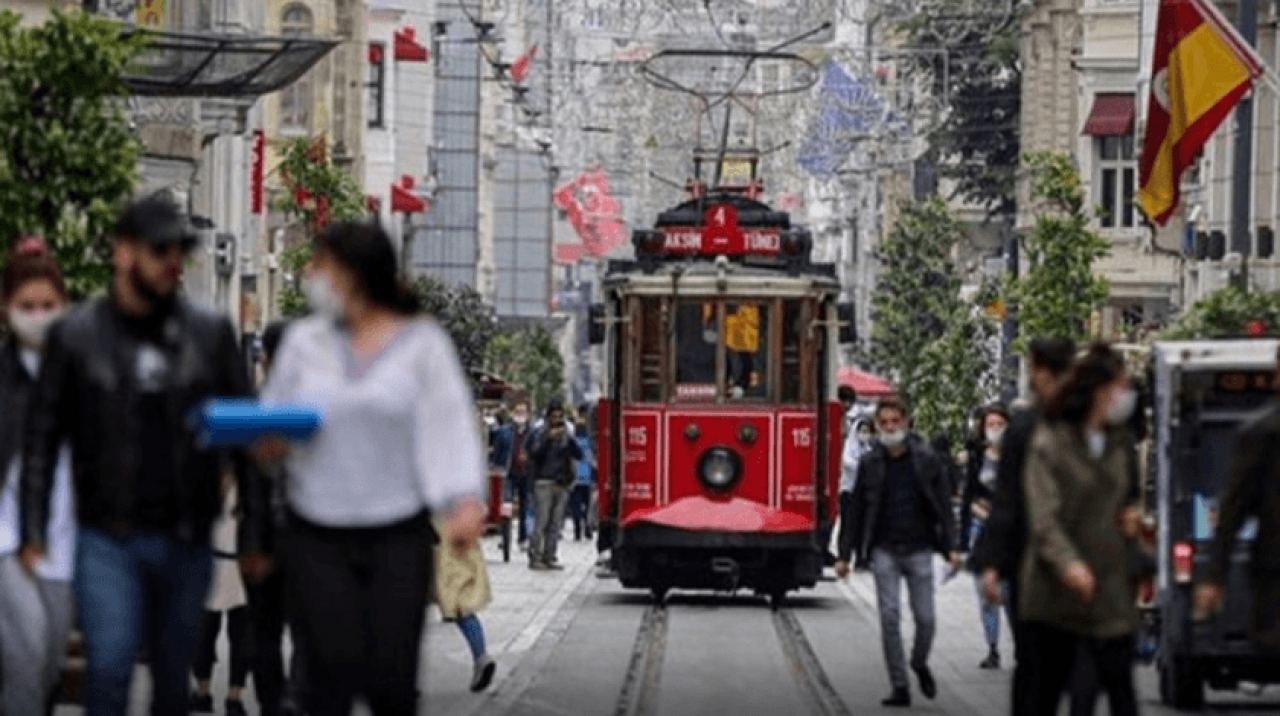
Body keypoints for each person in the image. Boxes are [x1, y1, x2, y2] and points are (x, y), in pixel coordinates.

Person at [19, 198, 266, 716]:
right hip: (107, 536)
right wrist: (34, 529)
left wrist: (253, 533)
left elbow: (245, 436)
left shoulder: (208, 333)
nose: (172, 262)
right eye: (159, 250)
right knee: (108, 668)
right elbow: (42, 437)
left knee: (171, 684)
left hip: (187, 536)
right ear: (123, 254)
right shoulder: (77, 336)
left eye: (179, 250)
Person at [255, 221, 486, 715]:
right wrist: (266, 443)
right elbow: (271, 421)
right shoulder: (302, 344)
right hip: (316, 532)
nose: (311, 276)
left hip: (396, 534)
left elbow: (448, 427)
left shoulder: (421, 345)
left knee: (391, 680)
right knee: (324, 678)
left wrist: (463, 499)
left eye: (323, 266)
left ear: (356, 275)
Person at [1018, 344, 1143, 716]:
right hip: (1057, 590)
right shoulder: (1051, 441)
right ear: (1098, 389)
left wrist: (1133, 517)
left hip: (1110, 587)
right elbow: (1043, 517)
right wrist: (1068, 564)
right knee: (1049, 690)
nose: (1125, 396)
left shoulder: (1120, 441)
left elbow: (1128, 497)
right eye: (1119, 386)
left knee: (1121, 692)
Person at [969, 337, 1075, 716]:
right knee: (1047, 660)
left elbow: (1007, 501)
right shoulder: (1072, 423)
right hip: (1063, 563)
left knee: (1037, 662)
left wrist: (992, 563)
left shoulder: (1032, 426)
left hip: (1037, 561)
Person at [835, 397, 961, 708]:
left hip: (919, 548)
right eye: (884, 423)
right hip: (884, 550)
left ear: (907, 423)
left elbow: (943, 506)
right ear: (877, 427)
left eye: (896, 421)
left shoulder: (926, 459)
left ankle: (919, 662)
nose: (890, 428)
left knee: (926, 618)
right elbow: (857, 511)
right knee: (889, 616)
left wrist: (951, 547)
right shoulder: (870, 463)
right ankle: (900, 684)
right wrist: (844, 555)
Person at [0, 238, 76, 716]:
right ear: (6, 308)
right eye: (26, 306)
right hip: (6, 537)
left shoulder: (84, 372)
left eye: (48, 305)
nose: (37, 314)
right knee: (27, 653)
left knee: (48, 661)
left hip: (64, 539)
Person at [1193, 345, 1280, 653]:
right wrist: (1213, 575)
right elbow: (1234, 508)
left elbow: (1233, 509)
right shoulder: (1264, 434)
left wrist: (1213, 576)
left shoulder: (1262, 431)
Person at [245, 319, 308, 716]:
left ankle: (276, 705)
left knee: (262, 635)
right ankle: (294, 701)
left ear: (265, 359)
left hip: (263, 538)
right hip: (310, 541)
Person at [190, 480, 253, 716]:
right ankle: (220, 696)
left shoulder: (242, 485)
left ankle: (220, 695)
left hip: (232, 563)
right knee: (210, 634)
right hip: (225, 563)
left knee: (233, 634)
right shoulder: (248, 484)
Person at [959, 404, 1011, 670]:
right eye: (990, 424)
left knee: (1012, 593)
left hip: (1012, 533)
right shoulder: (978, 456)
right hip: (981, 530)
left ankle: (1024, 647)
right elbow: (968, 492)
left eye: (1000, 424)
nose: (995, 430)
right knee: (985, 593)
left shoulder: (1018, 456)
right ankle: (992, 648)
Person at [525, 400, 583, 570]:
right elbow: (533, 453)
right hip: (543, 481)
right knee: (542, 521)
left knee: (555, 523)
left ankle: (549, 555)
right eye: (554, 416)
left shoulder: (568, 434)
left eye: (560, 416)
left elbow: (579, 454)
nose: (557, 420)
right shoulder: (539, 433)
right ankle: (535, 556)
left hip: (563, 482)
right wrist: (548, 440)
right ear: (548, 418)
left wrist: (570, 440)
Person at [839, 416, 874, 570]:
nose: (864, 434)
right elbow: (848, 464)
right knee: (848, 526)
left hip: (865, 494)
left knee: (863, 527)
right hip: (849, 491)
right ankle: (843, 556)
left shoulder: (869, 448)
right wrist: (864, 465)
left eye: (867, 431)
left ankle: (862, 557)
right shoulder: (849, 447)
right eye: (862, 430)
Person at [507, 402, 534, 549]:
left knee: (524, 507)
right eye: (518, 412)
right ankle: (505, 536)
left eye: (523, 412)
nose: (521, 415)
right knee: (508, 504)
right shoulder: (508, 430)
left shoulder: (532, 431)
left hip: (526, 473)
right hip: (511, 472)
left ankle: (522, 538)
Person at [569, 414, 596, 542]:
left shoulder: (572, 441)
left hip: (575, 479)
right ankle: (588, 529)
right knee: (587, 506)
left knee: (576, 506)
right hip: (588, 478)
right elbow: (592, 460)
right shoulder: (590, 442)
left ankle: (577, 530)